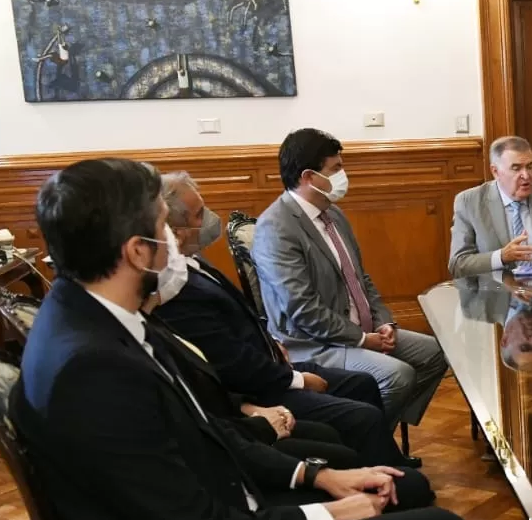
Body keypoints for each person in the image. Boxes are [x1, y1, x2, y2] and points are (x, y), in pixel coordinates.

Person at [14, 158, 475, 520]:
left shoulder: (93, 319)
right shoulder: (92, 369)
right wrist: (333, 514)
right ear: (136, 252)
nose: (175, 244)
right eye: (164, 229)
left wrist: (317, 478)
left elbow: (213, 436)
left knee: (395, 492)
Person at [154, 172, 419, 469]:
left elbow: (360, 278)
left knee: (363, 384)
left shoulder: (193, 262)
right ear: (174, 230)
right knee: (365, 414)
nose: (209, 219)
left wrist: (272, 343)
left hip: (271, 362)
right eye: (200, 214)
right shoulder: (175, 289)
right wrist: (298, 379)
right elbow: (230, 361)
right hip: (259, 387)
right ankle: (384, 482)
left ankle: (376, 465)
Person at [254, 128, 449, 437]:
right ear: (309, 177)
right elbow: (302, 309)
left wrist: (385, 323)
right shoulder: (275, 228)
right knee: (397, 376)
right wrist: (361, 339)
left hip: (362, 330)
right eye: (336, 169)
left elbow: (360, 277)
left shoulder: (334, 215)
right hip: (314, 344)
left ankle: (371, 435)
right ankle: (364, 440)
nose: (344, 175)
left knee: (434, 353)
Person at [448, 135, 532, 277]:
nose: (526, 175)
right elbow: (457, 264)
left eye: (530, 167)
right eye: (516, 168)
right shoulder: (469, 202)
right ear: (495, 172)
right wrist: (501, 257)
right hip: (494, 294)